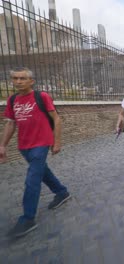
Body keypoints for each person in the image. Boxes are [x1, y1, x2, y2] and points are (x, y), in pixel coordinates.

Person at [1, 67, 71, 237]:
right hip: (24, 146)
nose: (18, 82)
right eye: (15, 78)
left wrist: (57, 142)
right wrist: (2, 145)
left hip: (41, 143)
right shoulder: (12, 100)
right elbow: (10, 124)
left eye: (22, 78)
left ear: (31, 81)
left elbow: (56, 119)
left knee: (32, 179)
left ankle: (27, 218)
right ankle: (61, 192)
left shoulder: (42, 97)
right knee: (42, 172)